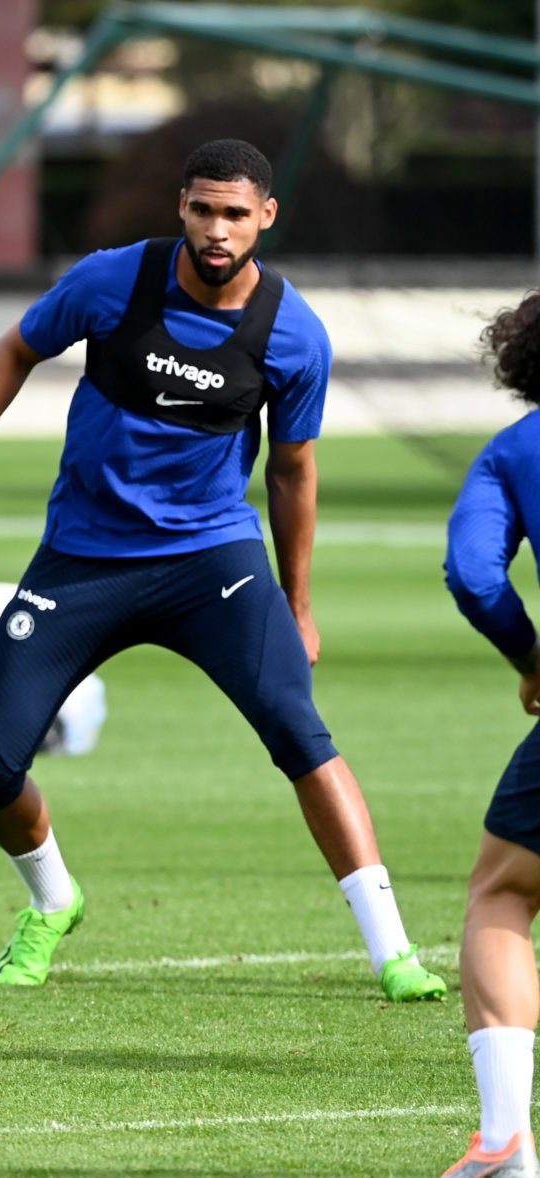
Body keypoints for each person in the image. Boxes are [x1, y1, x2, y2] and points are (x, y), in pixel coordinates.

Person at [0, 138, 446, 1002]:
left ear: (265, 218)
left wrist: (302, 605)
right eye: (203, 209)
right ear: (181, 207)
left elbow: (292, 471)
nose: (217, 229)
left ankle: (393, 952)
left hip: (213, 562)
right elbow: (16, 348)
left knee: (299, 730)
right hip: (85, 558)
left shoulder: (293, 335)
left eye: (236, 214)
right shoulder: (112, 282)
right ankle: (54, 902)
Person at [440, 292, 540, 1177]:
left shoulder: (513, 453)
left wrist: (532, 657)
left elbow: (473, 576)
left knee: (505, 891)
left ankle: (508, 1135)